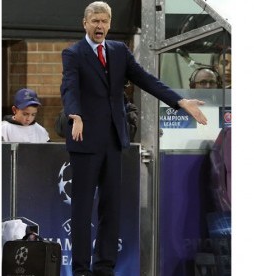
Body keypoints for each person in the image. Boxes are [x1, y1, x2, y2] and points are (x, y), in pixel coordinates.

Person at [60, 2, 207, 275]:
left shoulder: (119, 51)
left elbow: (146, 79)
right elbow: (69, 87)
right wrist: (74, 114)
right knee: (81, 211)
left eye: (104, 21)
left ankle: (104, 268)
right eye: (95, 21)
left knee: (110, 209)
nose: (100, 26)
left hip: (114, 141)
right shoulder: (73, 54)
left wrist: (179, 100)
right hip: (84, 142)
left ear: (110, 23)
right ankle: (81, 270)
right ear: (85, 23)